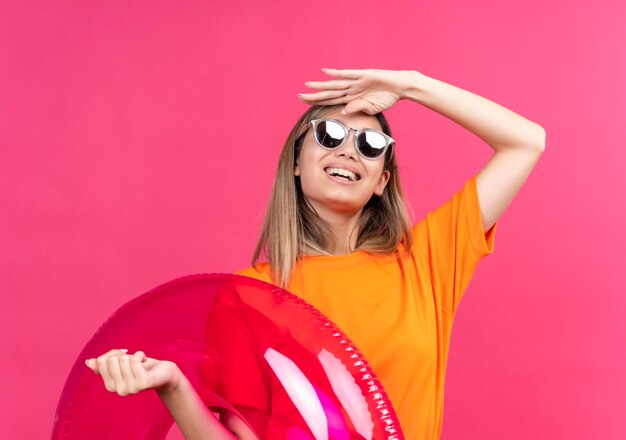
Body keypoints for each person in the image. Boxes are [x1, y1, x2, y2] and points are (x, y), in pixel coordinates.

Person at [85, 67, 546, 439]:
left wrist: (411, 85)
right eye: (328, 134)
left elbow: (525, 142)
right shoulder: (250, 294)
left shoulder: (425, 261)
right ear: (296, 163)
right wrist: (174, 386)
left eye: (370, 145)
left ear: (382, 181)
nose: (349, 150)